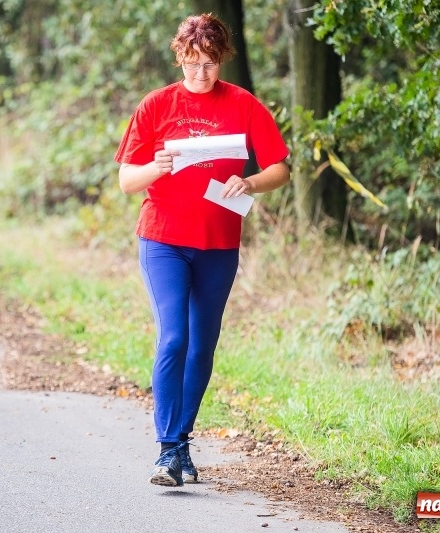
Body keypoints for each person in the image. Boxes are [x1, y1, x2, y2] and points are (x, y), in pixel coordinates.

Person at [114, 13, 290, 487]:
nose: (201, 73)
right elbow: (127, 180)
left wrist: (249, 182)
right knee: (175, 337)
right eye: (192, 62)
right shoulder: (156, 105)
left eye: (210, 63)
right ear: (180, 58)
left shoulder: (243, 104)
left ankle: (181, 443)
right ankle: (168, 450)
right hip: (164, 240)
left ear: (222, 59)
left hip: (218, 244)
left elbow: (280, 168)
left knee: (202, 346)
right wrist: (156, 167)